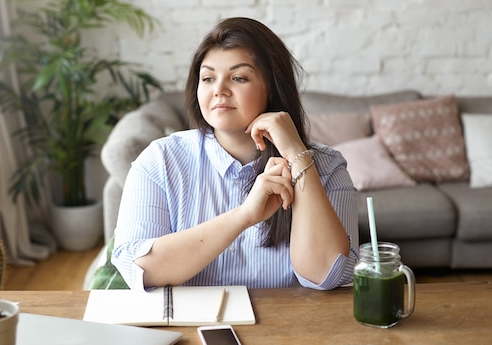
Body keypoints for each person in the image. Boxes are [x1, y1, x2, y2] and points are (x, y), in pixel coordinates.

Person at [112, 17, 359, 291]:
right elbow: (137, 269)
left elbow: (328, 275)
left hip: (286, 331)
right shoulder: (160, 160)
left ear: (273, 88)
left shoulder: (327, 167)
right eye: (207, 78)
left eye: (239, 77)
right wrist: (244, 216)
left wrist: (297, 155)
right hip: (190, 329)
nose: (219, 90)